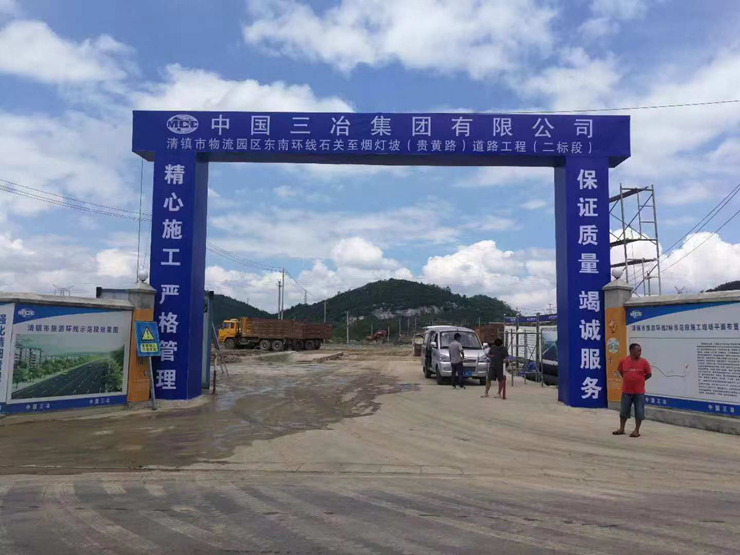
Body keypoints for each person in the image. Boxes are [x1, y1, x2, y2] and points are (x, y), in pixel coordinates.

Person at [613, 343, 652, 438]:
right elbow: (620, 371)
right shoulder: (623, 361)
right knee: (623, 411)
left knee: (639, 412)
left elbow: (649, 374)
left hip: (639, 392)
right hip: (626, 391)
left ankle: (636, 431)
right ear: (631, 351)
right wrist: (628, 379)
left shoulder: (644, 362)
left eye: (640, 350)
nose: (640, 352)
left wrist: (640, 380)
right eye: (638, 350)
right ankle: (621, 429)